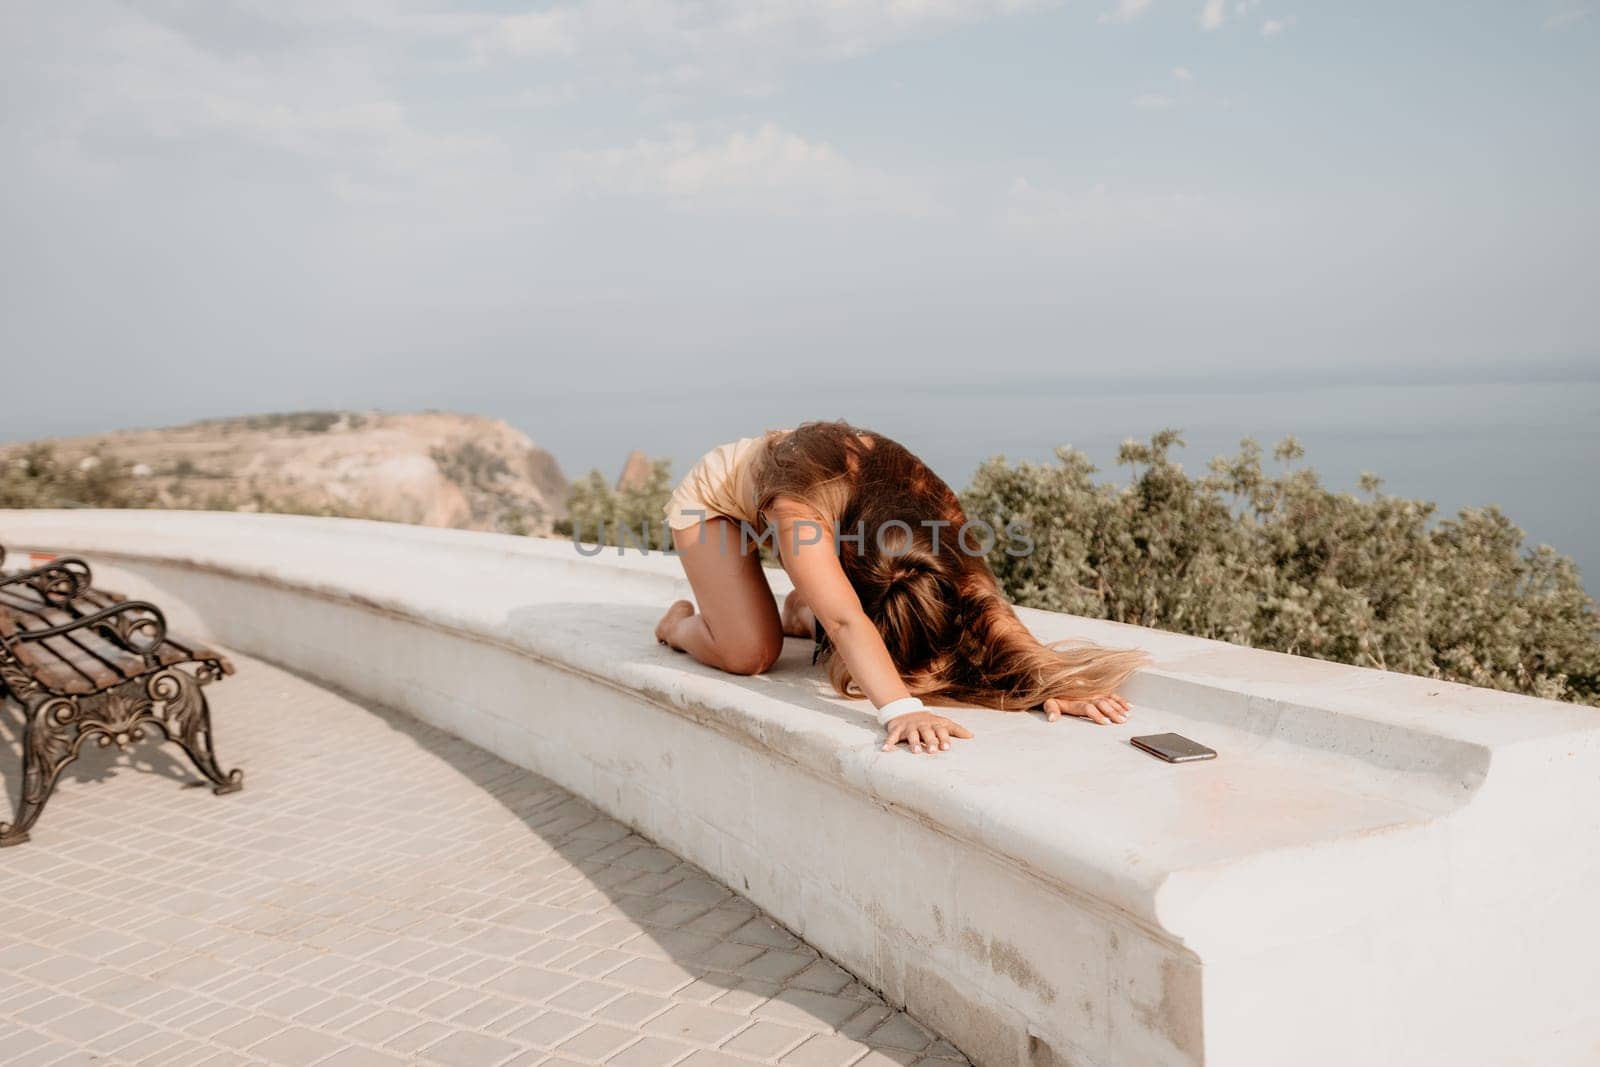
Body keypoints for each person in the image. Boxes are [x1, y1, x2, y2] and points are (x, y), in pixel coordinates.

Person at [653, 420, 1146, 755]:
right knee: (750, 653)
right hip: (713, 505)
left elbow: (981, 597)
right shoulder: (797, 513)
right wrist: (902, 709)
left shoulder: (930, 502)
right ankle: (681, 626)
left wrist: (1047, 684)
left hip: (823, 507)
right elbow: (846, 619)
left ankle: (800, 609)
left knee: (838, 612)